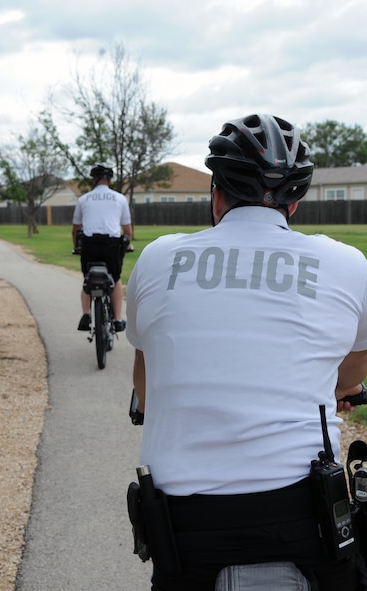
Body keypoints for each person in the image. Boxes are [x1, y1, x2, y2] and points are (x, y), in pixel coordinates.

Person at [126, 114, 367, 591]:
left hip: (185, 530)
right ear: (293, 205)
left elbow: (146, 384)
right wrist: (340, 389)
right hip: (307, 518)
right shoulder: (346, 263)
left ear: (216, 196)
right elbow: (351, 370)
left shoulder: (156, 258)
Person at [72, 163, 132, 332]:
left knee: (87, 280)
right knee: (116, 279)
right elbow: (127, 230)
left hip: (89, 245)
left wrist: (77, 248)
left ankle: (86, 315)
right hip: (111, 246)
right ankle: (118, 320)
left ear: (94, 179)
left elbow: (75, 229)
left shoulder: (84, 199)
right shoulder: (120, 198)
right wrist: (127, 245)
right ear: (110, 180)